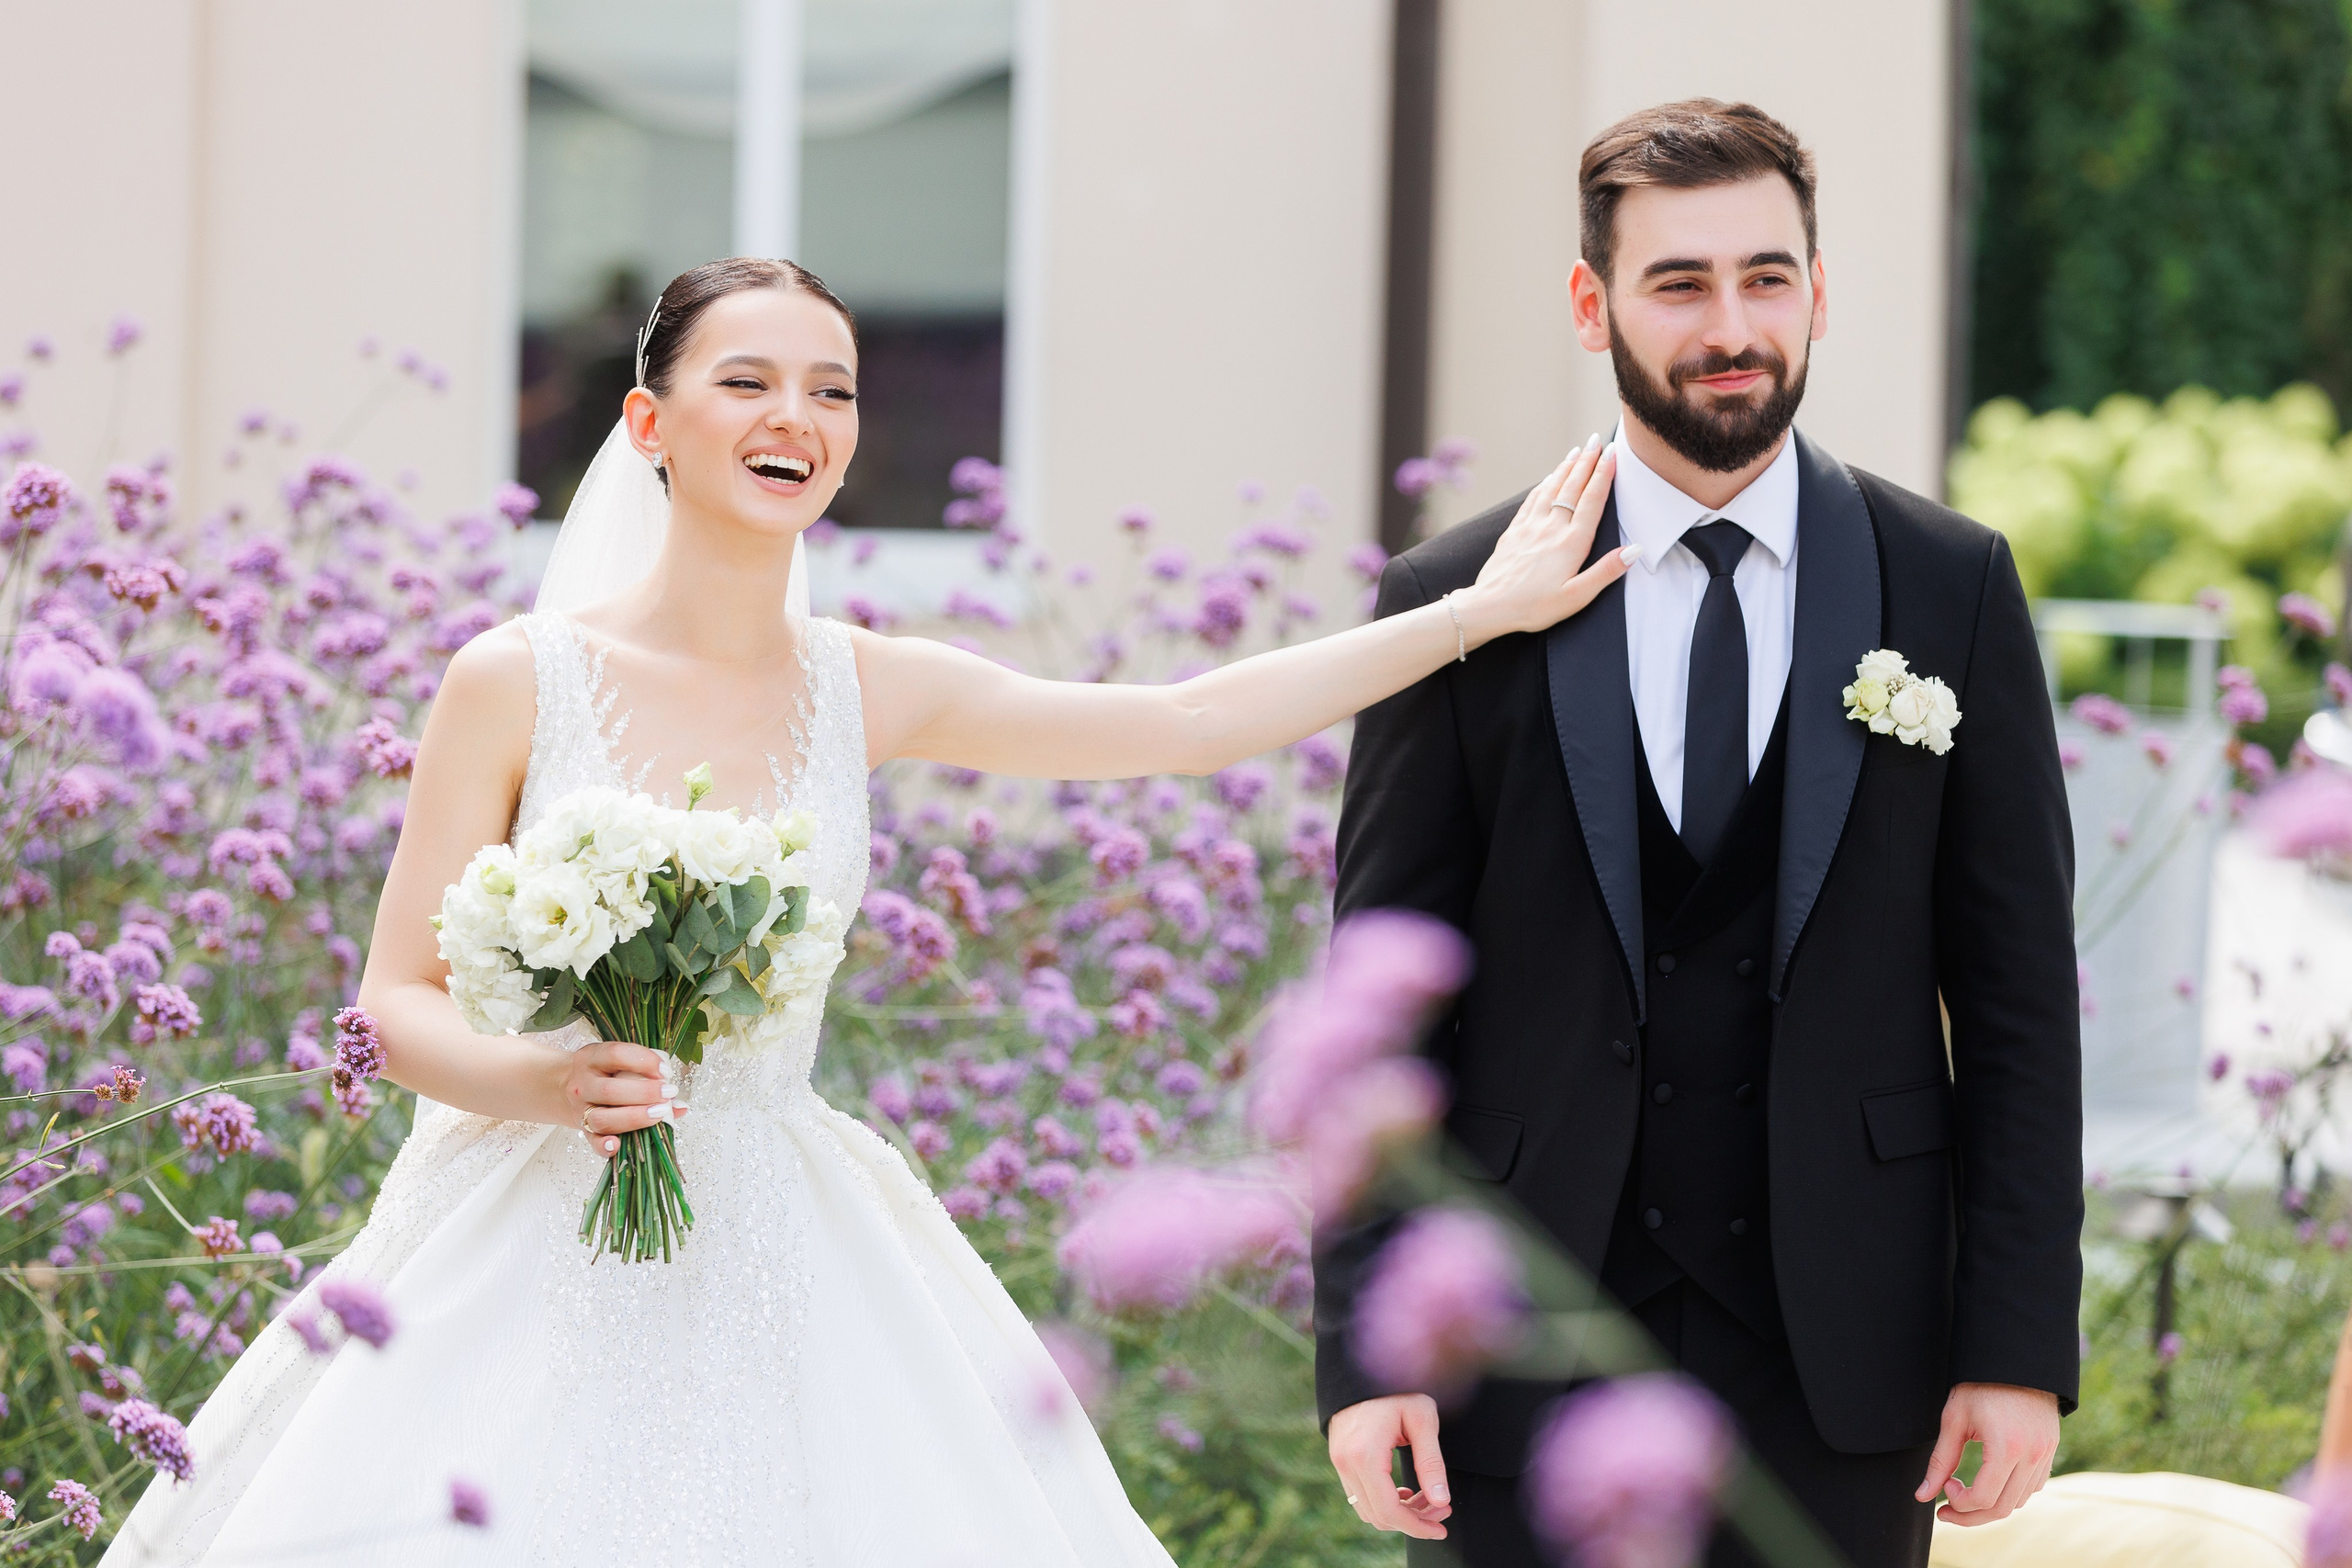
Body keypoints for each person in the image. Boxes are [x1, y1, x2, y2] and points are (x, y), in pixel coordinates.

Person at [100, 256, 1634, 1566]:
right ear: (649, 423)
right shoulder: (516, 678)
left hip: (785, 1229)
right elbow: (396, 1000)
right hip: (519, 1230)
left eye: (831, 391)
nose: (799, 420)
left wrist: (1472, 615)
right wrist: (551, 1080)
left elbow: (1183, 719)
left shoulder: (867, 683)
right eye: (749, 382)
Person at [1317, 100, 2083, 1568]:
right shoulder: (1457, 592)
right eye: (1679, 284)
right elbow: (1375, 1008)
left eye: (1766, 275)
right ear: (1592, 304)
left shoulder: (1951, 586)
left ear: (1816, 287)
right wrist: (1369, 1344)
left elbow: (2017, 1005)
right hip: (1519, 1339)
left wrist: (2017, 1340)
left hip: (1849, 1351)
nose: (1732, 325)